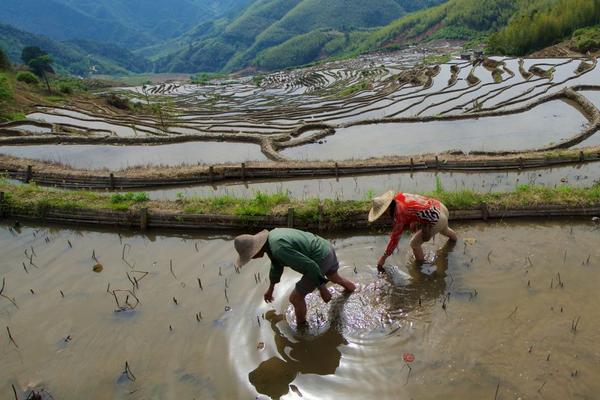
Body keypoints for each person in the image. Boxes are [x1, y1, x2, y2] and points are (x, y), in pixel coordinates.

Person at [234, 228, 356, 326]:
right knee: (334, 277)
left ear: (255, 250)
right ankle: (353, 289)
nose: (252, 258)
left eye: (250, 256)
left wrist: (323, 289)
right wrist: (271, 288)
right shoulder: (272, 238)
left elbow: (311, 265)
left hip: (320, 258)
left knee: (295, 298)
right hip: (326, 248)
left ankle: (302, 328)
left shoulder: (278, 249)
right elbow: (276, 265)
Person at [368, 191, 457, 271]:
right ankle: (455, 241)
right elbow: (415, 205)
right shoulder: (399, 196)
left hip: (437, 219)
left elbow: (394, 239)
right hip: (440, 207)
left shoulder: (399, 214)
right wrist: (414, 220)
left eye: (383, 212)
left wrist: (383, 257)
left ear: (387, 208)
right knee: (444, 230)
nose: (383, 214)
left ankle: (420, 266)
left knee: (414, 243)